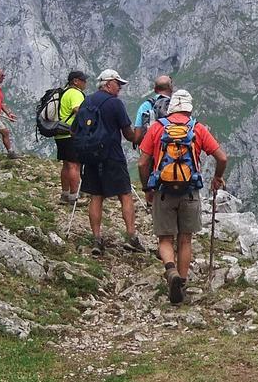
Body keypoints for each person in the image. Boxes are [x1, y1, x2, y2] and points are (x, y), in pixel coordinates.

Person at [137, 89, 228, 305]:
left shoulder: (157, 128)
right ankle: (183, 282)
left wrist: (147, 188)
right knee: (185, 238)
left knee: (165, 238)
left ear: (170, 109)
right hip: (189, 192)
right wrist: (217, 177)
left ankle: (171, 271)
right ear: (189, 108)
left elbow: (142, 163)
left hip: (163, 191)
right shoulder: (198, 129)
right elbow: (222, 157)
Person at [76, 69, 144, 255]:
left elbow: (76, 128)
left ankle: (97, 240)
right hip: (112, 156)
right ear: (107, 84)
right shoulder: (115, 104)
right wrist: (140, 134)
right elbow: (128, 134)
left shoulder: (87, 101)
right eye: (117, 83)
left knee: (96, 197)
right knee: (125, 194)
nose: (120, 87)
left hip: (90, 157)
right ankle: (131, 237)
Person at [55, 70, 88, 203]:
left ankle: (65, 194)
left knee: (66, 165)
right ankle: (74, 197)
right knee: (74, 165)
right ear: (75, 81)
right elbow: (78, 110)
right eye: (83, 80)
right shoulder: (75, 93)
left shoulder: (65, 92)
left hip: (60, 133)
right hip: (72, 133)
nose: (85, 83)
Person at [132, 75, 174, 146]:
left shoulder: (145, 106)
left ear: (155, 89)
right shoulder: (177, 106)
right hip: (173, 151)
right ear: (171, 88)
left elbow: (137, 136)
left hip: (151, 152)